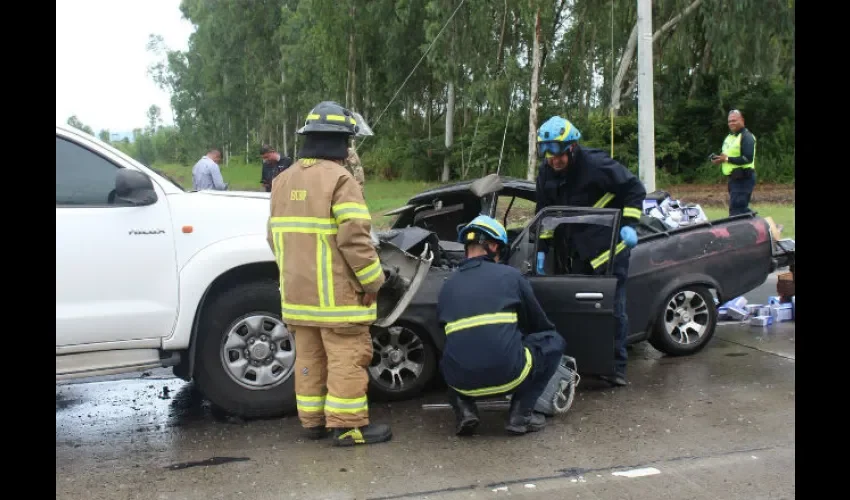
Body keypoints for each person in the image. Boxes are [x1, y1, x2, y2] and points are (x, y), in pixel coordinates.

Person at [266, 100, 392, 447]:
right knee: (347, 358)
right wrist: (372, 282)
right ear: (342, 142)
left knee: (308, 359)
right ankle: (349, 426)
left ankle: (312, 422)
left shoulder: (282, 181)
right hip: (337, 301)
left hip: (297, 298)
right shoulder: (340, 180)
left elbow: (273, 238)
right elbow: (355, 240)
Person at [533, 115, 646, 387]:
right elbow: (545, 216)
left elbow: (634, 189)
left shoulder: (596, 165)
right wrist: (542, 249)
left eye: (558, 152)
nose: (553, 159)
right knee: (582, 310)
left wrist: (630, 225)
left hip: (610, 248)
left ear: (571, 147)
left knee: (613, 310)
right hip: (578, 251)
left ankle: (615, 367)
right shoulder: (546, 173)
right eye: (546, 152)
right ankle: (586, 361)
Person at [436, 215, 567, 436]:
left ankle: (464, 411)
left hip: (461, 381)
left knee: (453, 352)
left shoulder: (447, 286)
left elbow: (446, 333)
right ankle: (520, 415)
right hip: (510, 375)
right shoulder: (511, 276)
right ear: (494, 246)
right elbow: (539, 325)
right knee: (553, 341)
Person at [711, 109, 757, 216]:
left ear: (742, 120)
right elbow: (727, 156)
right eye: (729, 121)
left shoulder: (747, 137)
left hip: (744, 178)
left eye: (734, 120)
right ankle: (760, 226)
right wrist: (719, 159)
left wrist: (727, 159)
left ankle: (765, 226)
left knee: (737, 211)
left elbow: (747, 158)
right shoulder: (729, 137)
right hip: (734, 179)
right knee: (738, 210)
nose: (731, 123)